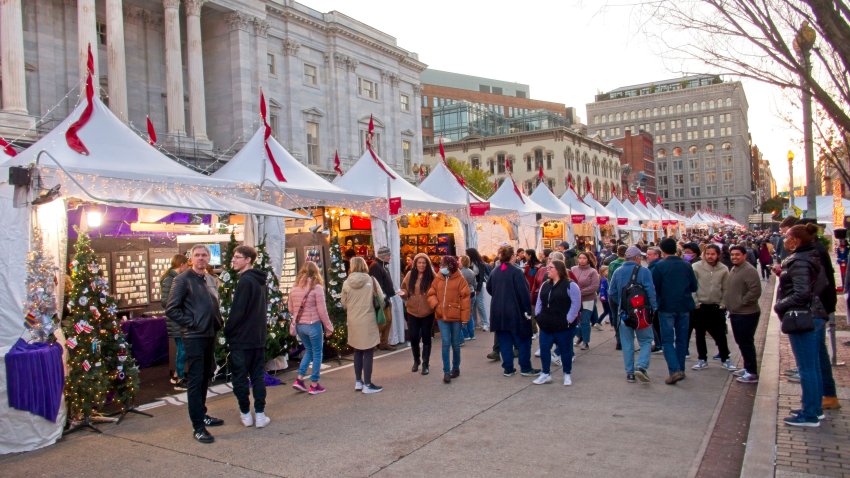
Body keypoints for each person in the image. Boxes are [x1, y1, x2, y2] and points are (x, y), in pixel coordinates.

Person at [165, 245, 224, 444]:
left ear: (208, 258)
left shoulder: (207, 278)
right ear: (191, 259)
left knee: (206, 376)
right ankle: (198, 426)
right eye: (197, 255)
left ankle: (202, 413)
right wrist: (192, 323)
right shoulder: (182, 280)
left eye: (204, 255)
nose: (201, 258)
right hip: (194, 336)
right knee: (197, 379)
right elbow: (172, 309)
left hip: (209, 334)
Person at [775, 224, 828, 426]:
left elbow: (801, 293)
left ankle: (810, 413)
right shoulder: (809, 258)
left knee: (807, 367)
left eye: (787, 236)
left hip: (803, 316)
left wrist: (780, 305)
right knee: (812, 366)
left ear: (796, 240)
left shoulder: (800, 261)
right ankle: (814, 407)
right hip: (812, 313)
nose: (784, 240)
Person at [225, 245, 270, 428]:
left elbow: (238, 312)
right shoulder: (260, 281)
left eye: (237, 257)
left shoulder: (245, 282)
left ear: (248, 260)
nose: (233, 260)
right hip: (258, 337)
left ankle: (246, 413)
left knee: (240, 378)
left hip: (242, 339)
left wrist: (228, 330)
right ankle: (260, 414)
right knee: (257, 377)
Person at [487, 245, 539, 377]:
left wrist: (500, 296)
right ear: (512, 257)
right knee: (523, 340)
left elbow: (489, 288)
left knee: (504, 340)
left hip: (498, 311)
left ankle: (508, 368)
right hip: (515, 312)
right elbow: (524, 293)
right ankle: (525, 367)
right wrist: (527, 311)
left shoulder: (495, 271)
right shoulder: (517, 272)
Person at [653, 237, 698, 385]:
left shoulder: (660, 266)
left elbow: (655, 287)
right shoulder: (686, 265)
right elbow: (694, 286)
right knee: (681, 338)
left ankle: (674, 370)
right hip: (684, 305)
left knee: (667, 340)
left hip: (666, 306)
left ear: (662, 250)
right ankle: (681, 369)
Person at [609, 246, 658, 383]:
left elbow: (611, 292)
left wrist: (621, 303)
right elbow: (650, 291)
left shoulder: (618, 271)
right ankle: (641, 366)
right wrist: (653, 308)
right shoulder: (644, 271)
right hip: (641, 313)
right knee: (646, 340)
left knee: (627, 343)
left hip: (624, 313)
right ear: (637, 258)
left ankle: (630, 373)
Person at [287, 261, 334, 395]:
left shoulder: (294, 287)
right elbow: (322, 311)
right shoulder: (317, 287)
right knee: (318, 353)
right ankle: (314, 384)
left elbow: (290, 308)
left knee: (309, 350)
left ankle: (299, 379)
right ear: (316, 272)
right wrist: (329, 327)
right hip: (313, 324)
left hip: (300, 325)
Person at [533, 259, 581, 385]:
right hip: (546, 325)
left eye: (551, 267)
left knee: (565, 350)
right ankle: (545, 374)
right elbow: (539, 301)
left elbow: (576, 304)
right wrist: (538, 316)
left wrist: (568, 320)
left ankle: (567, 374)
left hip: (563, 326)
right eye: (548, 267)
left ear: (559, 270)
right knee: (544, 349)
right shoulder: (545, 285)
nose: (547, 269)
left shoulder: (571, 285)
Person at [690, 244, 736, 371]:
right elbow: (692, 287)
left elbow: (726, 288)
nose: (710, 256)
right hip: (700, 306)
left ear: (718, 255)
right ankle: (702, 359)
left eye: (713, 254)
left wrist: (723, 303)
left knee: (720, 333)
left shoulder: (723, 269)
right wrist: (695, 302)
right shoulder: (696, 267)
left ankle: (725, 358)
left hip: (716, 306)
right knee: (700, 334)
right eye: (708, 253)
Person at [341, 257, 384, 394]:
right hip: (368, 319)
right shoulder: (371, 280)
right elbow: (381, 300)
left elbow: (343, 303)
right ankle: (368, 384)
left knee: (357, 351)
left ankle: (358, 381)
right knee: (368, 352)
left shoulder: (346, 283)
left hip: (353, 321)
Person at [428, 256, 471, 383]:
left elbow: (465, 299)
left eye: (444, 265)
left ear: (450, 266)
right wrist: (436, 305)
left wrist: (464, 319)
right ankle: (446, 371)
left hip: (456, 317)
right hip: (442, 316)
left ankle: (456, 367)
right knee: (445, 343)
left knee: (455, 344)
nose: (441, 267)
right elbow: (431, 293)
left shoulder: (460, 280)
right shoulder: (438, 277)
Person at [724, 245, 762, 384]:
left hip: (746, 313)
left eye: (737, 254)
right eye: (732, 254)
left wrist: (741, 302)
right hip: (736, 312)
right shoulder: (735, 269)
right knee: (741, 342)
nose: (734, 257)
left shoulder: (749, 270)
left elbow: (755, 291)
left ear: (744, 255)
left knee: (746, 342)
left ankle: (751, 372)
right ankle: (747, 367)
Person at [399, 253, 436, 375]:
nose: (421, 265)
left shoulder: (432, 275)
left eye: (424, 263)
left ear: (427, 264)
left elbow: (437, 290)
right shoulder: (410, 274)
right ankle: (416, 360)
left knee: (426, 337)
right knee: (414, 337)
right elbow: (404, 288)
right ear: (415, 264)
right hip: (412, 311)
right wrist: (403, 293)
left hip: (427, 312)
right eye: (419, 262)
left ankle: (426, 363)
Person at [161, 254, 189, 390]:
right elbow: (166, 302)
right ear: (182, 264)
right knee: (182, 350)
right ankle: (179, 378)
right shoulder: (170, 280)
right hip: (176, 320)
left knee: (182, 349)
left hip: (178, 319)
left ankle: (178, 375)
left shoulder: (174, 279)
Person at [571, 252, 600, 351]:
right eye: (580, 258)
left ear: (588, 259)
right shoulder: (573, 269)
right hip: (574, 300)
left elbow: (594, 287)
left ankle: (585, 342)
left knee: (585, 321)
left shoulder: (593, 271)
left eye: (584, 258)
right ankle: (580, 336)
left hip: (588, 300)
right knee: (574, 321)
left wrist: (579, 292)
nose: (582, 260)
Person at [369, 246, 396, 350]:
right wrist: (383, 299)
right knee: (384, 321)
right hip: (382, 299)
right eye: (389, 255)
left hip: (386, 298)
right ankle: (376, 342)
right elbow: (377, 285)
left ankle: (383, 342)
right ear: (383, 256)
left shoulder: (382, 265)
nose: (390, 257)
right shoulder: (376, 266)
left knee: (388, 320)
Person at [466, 248, 491, 332]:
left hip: (478, 286)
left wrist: (479, 289)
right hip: (471, 287)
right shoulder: (469, 263)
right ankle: (475, 323)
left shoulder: (480, 263)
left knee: (480, 305)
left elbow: (481, 277)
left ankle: (485, 323)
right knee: (472, 305)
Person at [646, 246, 663, 354]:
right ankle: (659, 343)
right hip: (657, 298)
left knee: (655, 322)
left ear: (656, 255)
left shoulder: (656, 267)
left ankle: (659, 344)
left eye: (649, 254)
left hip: (656, 299)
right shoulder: (653, 266)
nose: (647, 256)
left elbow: (653, 284)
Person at [459, 255, 478, 341]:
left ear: (462, 262)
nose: (458, 262)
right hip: (472, 292)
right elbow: (475, 284)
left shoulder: (460, 273)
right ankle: (472, 334)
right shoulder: (471, 271)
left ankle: (466, 334)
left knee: (463, 315)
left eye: (459, 261)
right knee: (469, 314)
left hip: (464, 295)